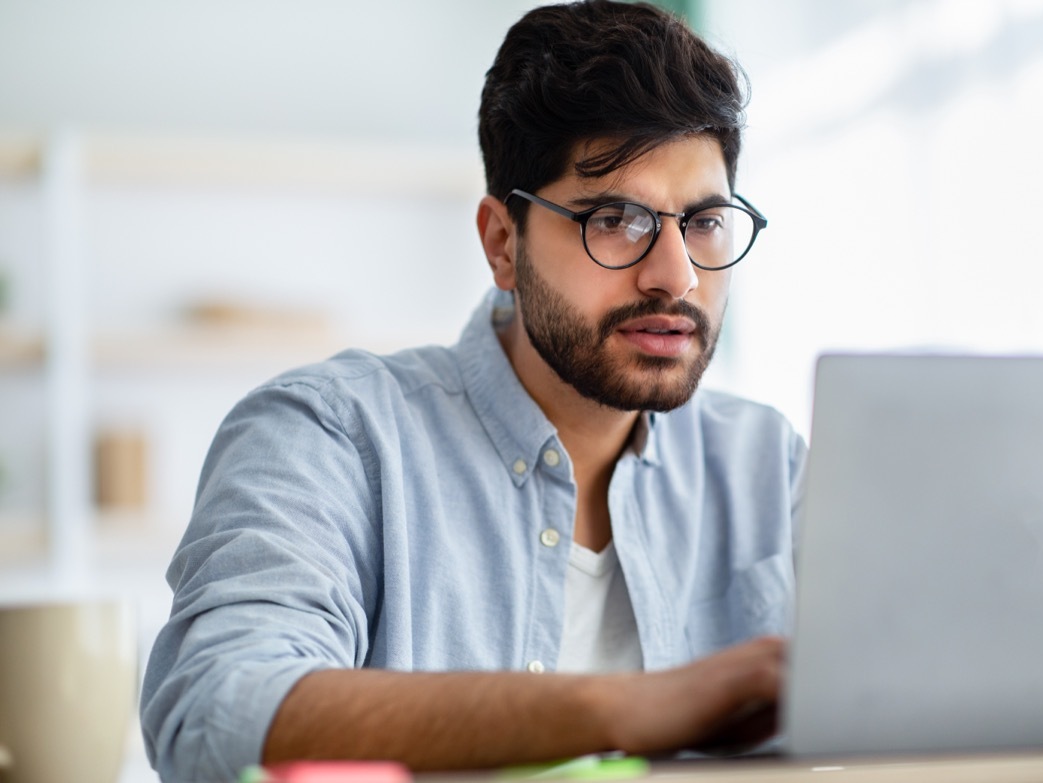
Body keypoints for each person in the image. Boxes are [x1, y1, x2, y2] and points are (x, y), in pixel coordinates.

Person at [140, 2, 805, 780]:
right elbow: (219, 710)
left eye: (704, 221)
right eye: (615, 219)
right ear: (501, 242)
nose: (676, 275)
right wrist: (627, 708)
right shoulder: (330, 434)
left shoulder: (767, 461)